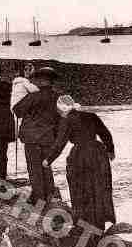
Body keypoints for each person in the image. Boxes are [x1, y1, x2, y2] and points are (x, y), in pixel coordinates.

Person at [42, 95, 116, 232]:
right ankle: (99, 225)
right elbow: (106, 134)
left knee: (81, 190)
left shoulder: (67, 120)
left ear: (62, 109)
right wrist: (110, 150)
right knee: (98, 189)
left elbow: (60, 143)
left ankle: (84, 225)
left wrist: (48, 160)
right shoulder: (91, 116)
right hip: (99, 154)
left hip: (80, 156)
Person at [13, 67, 62, 203]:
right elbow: (63, 119)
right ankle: (50, 196)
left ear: (40, 81)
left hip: (31, 139)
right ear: (52, 82)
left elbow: (17, 111)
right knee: (46, 167)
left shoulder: (33, 96)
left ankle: (38, 199)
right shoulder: (58, 98)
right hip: (49, 139)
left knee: (35, 169)